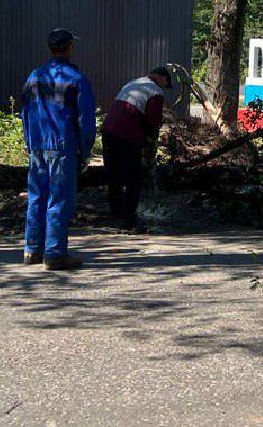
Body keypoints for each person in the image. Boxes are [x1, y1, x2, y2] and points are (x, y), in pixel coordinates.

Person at [19, 28, 96, 270]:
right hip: (63, 146)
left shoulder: (34, 75)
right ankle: (54, 253)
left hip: (38, 145)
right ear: (70, 46)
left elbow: (24, 112)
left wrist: (29, 142)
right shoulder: (76, 78)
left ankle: (32, 250)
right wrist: (85, 151)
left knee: (36, 197)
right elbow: (85, 119)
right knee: (59, 200)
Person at [101, 66, 173, 233]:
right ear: (162, 77)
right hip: (127, 135)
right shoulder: (155, 92)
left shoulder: (133, 83)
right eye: (165, 83)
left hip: (109, 132)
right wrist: (152, 140)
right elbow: (153, 120)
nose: (163, 87)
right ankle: (129, 219)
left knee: (114, 176)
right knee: (134, 179)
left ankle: (116, 214)